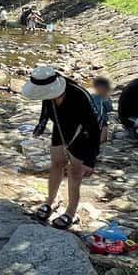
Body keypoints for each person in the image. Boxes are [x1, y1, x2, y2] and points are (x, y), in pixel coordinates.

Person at [22, 66, 103, 230]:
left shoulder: (79, 95)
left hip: (81, 134)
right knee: (56, 162)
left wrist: (91, 159)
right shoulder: (48, 92)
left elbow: (95, 128)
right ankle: (50, 201)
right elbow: (47, 107)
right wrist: (42, 124)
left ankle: (71, 212)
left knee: (75, 172)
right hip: (60, 129)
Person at [90, 77, 114, 144]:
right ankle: (101, 141)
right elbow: (109, 109)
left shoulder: (91, 96)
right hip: (102, 120)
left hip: (92, 119)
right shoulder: (105, 97)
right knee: (104, 129)